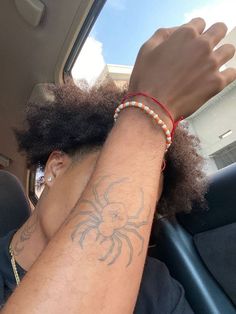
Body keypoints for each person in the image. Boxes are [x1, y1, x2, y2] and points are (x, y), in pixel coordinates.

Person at [1, 18, 235, 314]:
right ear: (56, 168)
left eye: (146, 204)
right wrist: (149, 111)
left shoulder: (153, 284)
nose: (127, 209)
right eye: (106, 178)